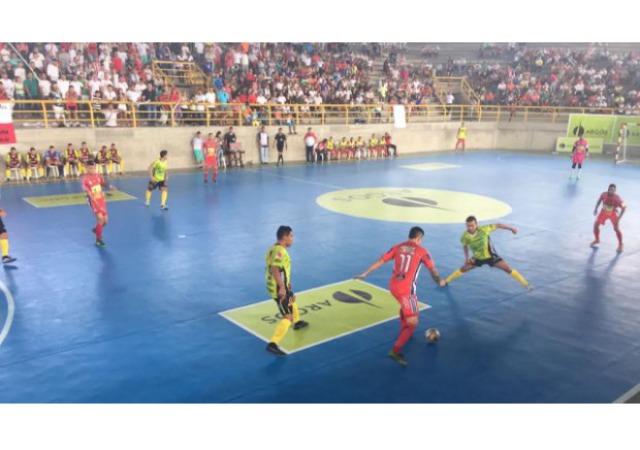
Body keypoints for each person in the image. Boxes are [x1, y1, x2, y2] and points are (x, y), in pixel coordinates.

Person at [355, 226, 443, 367]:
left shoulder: (397, 247)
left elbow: (381, 260)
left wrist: (365, 273)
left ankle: (404, 330)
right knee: (413, 322)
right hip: (406, 291)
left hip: (393, 287)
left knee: (404, 306)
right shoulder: (423, 251)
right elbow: (433, 270)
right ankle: (395, 351)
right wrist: (439, 281)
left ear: (409, 236)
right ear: (419, 239)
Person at [443, 216, 532, 290]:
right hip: (477, 258)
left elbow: (498, 225)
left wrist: (511, 229)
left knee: (507, 269)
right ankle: (446, 281)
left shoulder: (484, 229)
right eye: (468, 226)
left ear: (476, 224)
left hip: (491, 257)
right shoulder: (464, 236)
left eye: (472, 225)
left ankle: (526, 284)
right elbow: (465, 246)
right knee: (463, 269)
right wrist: (466, 259)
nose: (470, 228)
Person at [265, 225, 309, 356]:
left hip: (279, 285)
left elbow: (280, 269)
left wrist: (287, 284)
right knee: (287, 317)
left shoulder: (272, 248)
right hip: (279, 288)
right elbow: (274, 269)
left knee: (292, 299)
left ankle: (298, 322)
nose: (292, 238)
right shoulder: (281, 252)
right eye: (291, 236)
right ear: (284, 237)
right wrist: (283, 287)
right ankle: (273, 344)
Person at [81, 160, 117, 247]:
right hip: (93, 201)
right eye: (90, 168)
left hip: (101, 199)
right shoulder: (84, 179)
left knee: (106, 221)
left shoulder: (98, 175)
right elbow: (88, 192)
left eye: (93, 168)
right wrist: (95, 201)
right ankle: (98, 240)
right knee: (100, 219)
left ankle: (96, 229)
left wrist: (109, 186)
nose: (92, 170)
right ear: (86, 168)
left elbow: (102, 183)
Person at [591, 184, 626, 252]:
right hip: (603, 212)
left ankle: (621, 244)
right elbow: (599, 201)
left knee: (616, 229)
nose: (610, 191)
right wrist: (596, 209)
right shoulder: (603, 194)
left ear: (615, 191)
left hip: (613, 214)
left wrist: (619, 217)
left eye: (612, 190)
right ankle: (597, 240)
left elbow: (624, 207)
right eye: (609, 189)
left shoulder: (618, 198)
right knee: (596, 225)